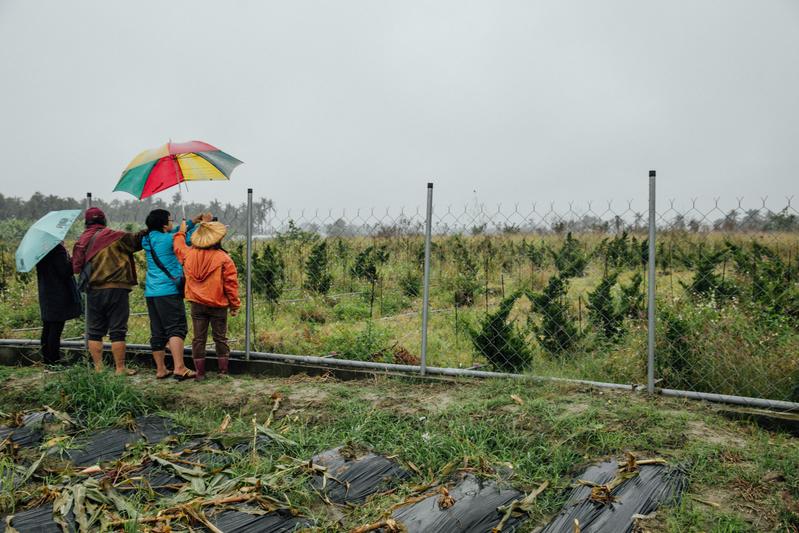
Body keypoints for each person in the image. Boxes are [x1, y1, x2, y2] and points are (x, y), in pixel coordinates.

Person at [72, 207, 145, 375]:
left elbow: (76, 267)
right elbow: (137, 241)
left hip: (94, 291)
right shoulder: (116, 236)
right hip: (117, 289)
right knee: (117, 330)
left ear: (86, 222)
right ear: (104, 221)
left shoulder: (81, 241)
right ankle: (120, 368)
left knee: (94, 331)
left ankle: (99, 369)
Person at [143, 209, 211, 380]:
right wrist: (200, 225)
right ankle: (179, 367)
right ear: (164, 225)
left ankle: (161, 369)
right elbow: (184, 239)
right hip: (169, 290)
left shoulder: (147, 239)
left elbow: (175, 234)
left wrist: (190, 223)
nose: (172, 222)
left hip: (152, 291)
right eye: (170, 220)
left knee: (157, 331)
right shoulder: (171, 239)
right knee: (176, 328)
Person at [173, 219, 240, 380]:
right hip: (218, 304)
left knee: (198, 339)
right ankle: (223, 372)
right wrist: (234, 305)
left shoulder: (188, 254)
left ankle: (200, 374)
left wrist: (182, 231)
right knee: (220, 338)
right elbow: (231, 284)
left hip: (197, 304)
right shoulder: (223, 258)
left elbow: (178, 246)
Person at [36, 243, 81, 365]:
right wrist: (71, 259)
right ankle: (54, 361)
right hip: (58, 294)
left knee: (48, 328)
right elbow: (65, 271)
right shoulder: (57, 249)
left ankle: (47, 360)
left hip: (46, 293)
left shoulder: (40, 250)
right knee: (55, 329)